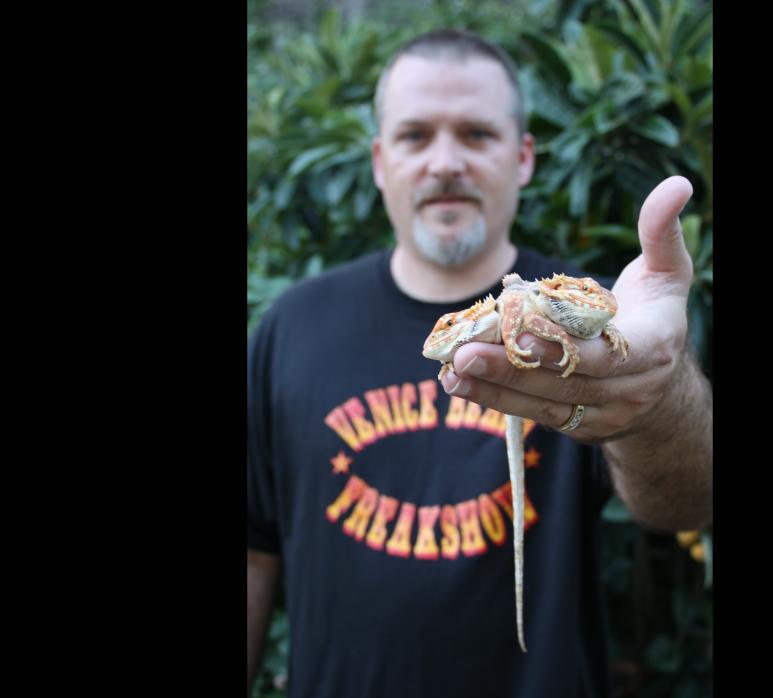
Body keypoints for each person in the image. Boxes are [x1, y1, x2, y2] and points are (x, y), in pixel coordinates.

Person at [247, 28, 712, 698]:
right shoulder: (292, 324)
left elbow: (688, 503)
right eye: (414, 137)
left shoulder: (599, 316)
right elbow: (256, 549)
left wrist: (659, 401)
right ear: (379, 161)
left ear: (523, 158)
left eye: (475, 134)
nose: (445, 162)